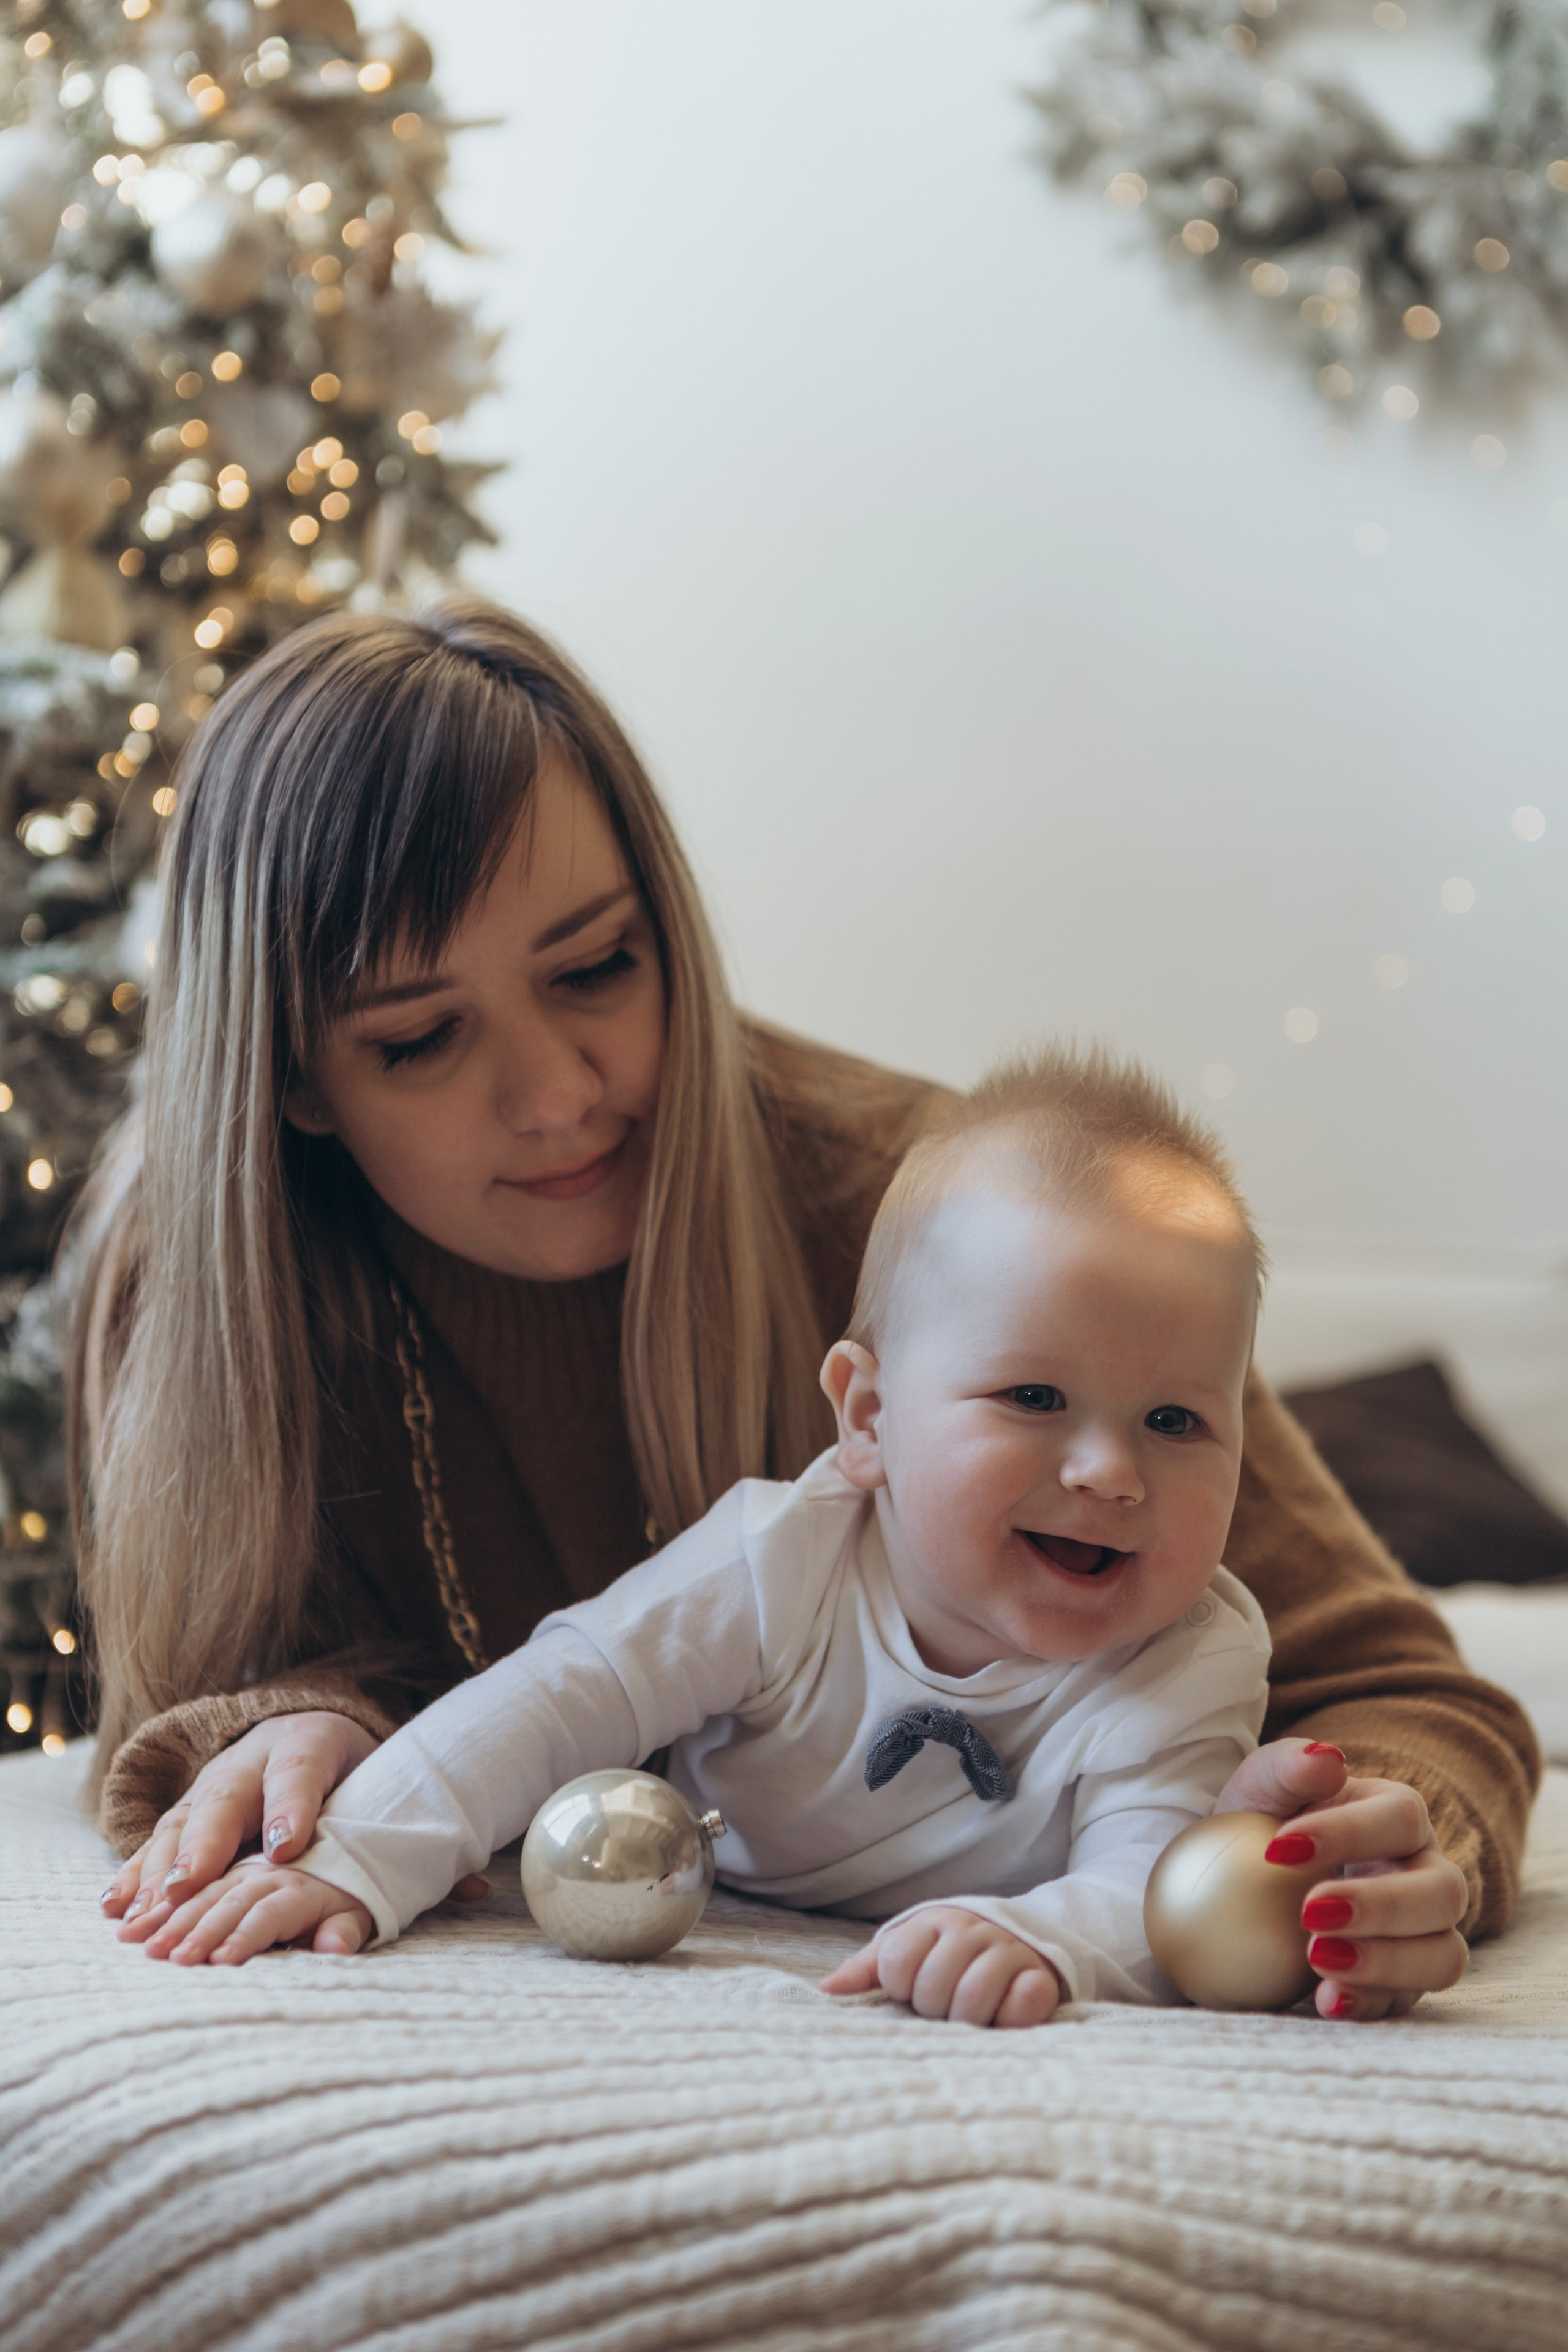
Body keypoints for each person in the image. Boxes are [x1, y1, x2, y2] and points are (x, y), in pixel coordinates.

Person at [86, 600, 1537, 2025]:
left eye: (596, 967)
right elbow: (243, 1690)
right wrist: (288, 1738)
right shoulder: (205, 1275)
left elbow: (1409, 1696)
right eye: (417, 1038)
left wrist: (1373, 1856)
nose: (557, 1096)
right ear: (288, 1080)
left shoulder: (957, 1217)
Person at [119, 1050, 1289, 2027]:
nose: (1109, 1472)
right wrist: (361, 1858)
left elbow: (1158, 1893)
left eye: (1176, 1421)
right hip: (700, 1855)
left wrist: (1039, 1938)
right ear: (869, 1417)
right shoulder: (783, 1559)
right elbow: (563, 1693)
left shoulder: (1193, 1656)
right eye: (1033, 1399)